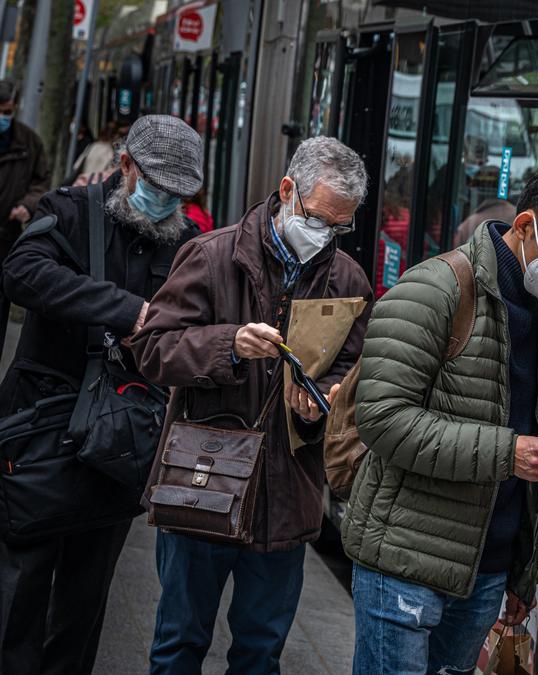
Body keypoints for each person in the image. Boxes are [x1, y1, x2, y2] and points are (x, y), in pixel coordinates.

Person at [343, 161, 538, 675]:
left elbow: (536, 437)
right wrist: (506, 453)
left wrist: (525, 571)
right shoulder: (433, 289)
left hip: (487, 572)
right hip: (405, 562)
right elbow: (381, 420)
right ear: (524, 226)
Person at [131, 136, 373, 673]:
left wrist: (325, 399)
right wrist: (229, 345)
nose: (327, 236)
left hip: (287, 492)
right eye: (319, 219)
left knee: (261, 652)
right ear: (287, 191)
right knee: (178, 645)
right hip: (202, 478)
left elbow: (351, 369)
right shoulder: (211, 254)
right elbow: (151, 349)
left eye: (341, 226)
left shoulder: (348, 280)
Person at [0, 114, 203, 675]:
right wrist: (127, 310)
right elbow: (21, 272)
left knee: (84, 603)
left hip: (121, 444)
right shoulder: (68, 210)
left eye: (178, 193)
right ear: (126, 165)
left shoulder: (188, 244)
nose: (166, 200)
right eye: (157, 186)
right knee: (21, 589)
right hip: (41, 429)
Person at [0, 79, 51, 264]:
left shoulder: (30, 142)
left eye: (6, 112)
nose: (1, 117)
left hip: (7, 234)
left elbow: (41, 182)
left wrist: (27, 205)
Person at [71, 121, 120, 186]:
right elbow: (110, 172)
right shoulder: (109, 151)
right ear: (115, 135)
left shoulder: (91, 146)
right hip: (95, 187)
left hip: (82, 183)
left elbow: (76, 166)